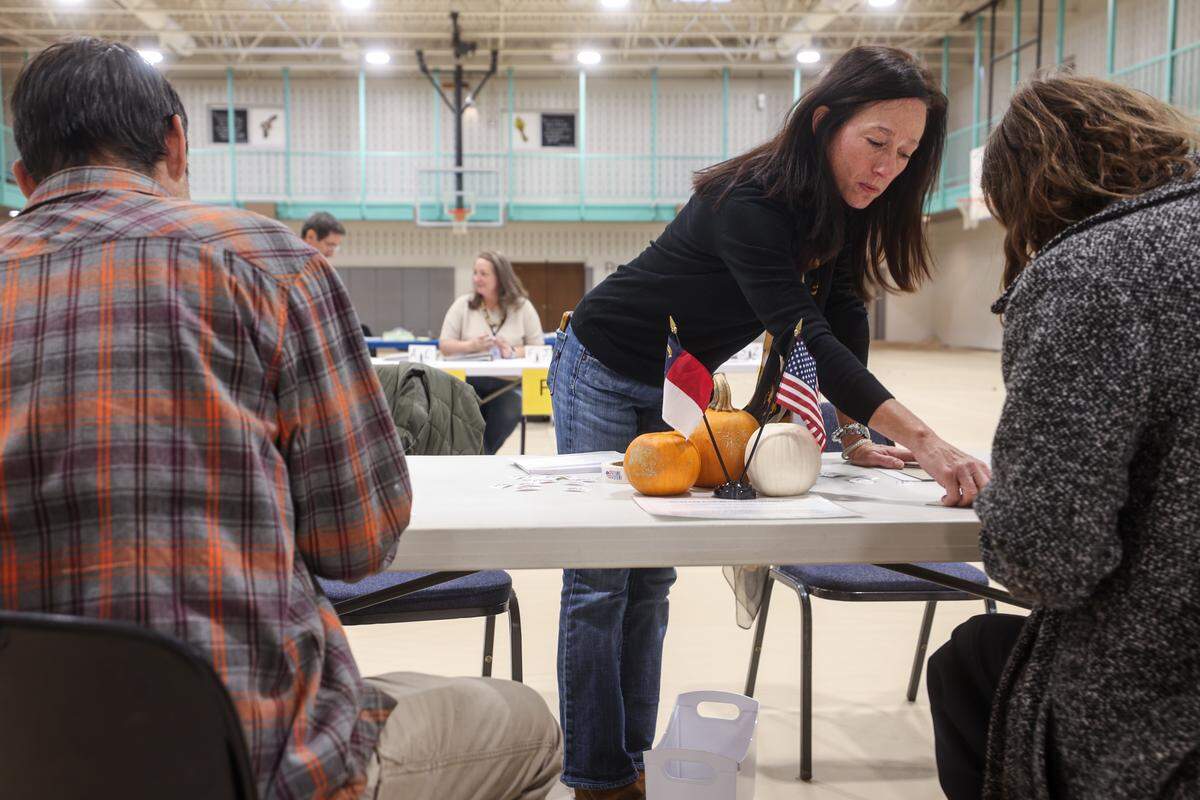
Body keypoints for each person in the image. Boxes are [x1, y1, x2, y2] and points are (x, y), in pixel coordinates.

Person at [0, 38, 561, 800]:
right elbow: (357, 542)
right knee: (528, 724)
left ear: (23, 174)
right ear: (175, 142)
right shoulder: (273, 267)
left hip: (28, 761)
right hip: (262, 762)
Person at [547, 45, 990, 800]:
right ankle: (598, 778)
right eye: (876, 142)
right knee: (598, 577)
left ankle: (629, 762)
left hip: (675, 384)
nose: (887, 166)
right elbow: (803, 333)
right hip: (604, 362)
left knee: (650, 577)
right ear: (824, 121)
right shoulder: (750, 202)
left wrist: (854, 433)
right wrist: (927, 439)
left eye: (906, 153)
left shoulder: (845, 209)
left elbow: (842, 314)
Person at [927, 74, 1200, 800]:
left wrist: (1010, 495)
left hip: (1163, 702)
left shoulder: (1088, 273)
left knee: (972, 664)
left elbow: (1048, 560)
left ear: (1027, 191)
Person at [439, 251, 544, 454]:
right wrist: (470, 346)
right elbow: (445, 345)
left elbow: (538, 348)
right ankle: (478, 459)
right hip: (467, 382)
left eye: (483, 274)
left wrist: (512, 351)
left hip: (508, 383)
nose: (476, 278)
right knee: (461, 415)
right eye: (475, 272)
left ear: (500, 277)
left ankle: (478, 458)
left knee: (509, 409)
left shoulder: (522, 307)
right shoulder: (463, 305)